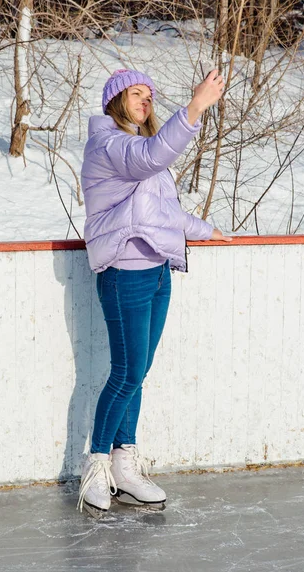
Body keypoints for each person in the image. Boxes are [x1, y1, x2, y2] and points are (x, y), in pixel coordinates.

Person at [77, 68, 232, 518]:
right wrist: (195, 108)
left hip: (158, 271)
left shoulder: (141, 150)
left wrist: (207, 231)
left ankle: (126, 466)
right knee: (125, 372)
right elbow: (147, 157)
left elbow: (164, 212)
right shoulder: (110, 146)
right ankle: (96, 467)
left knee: (138, 373)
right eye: (136, 93)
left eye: (150, 94)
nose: (145, 100)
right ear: (115, 100)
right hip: (125, 273)